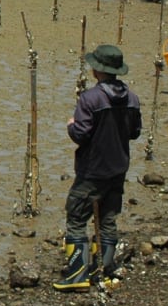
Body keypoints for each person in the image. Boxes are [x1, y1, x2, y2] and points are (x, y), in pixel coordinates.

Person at [53, 45, 142, 292]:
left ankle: (77, 274)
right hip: (118, 168)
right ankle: (103, 270)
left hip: (93, 170)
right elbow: (135, 133)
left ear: (97, 70)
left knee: (76, 216)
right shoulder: (132, 99)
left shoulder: (90, 99)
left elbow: (81, 135)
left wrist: (71, 125)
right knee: (108, 218)